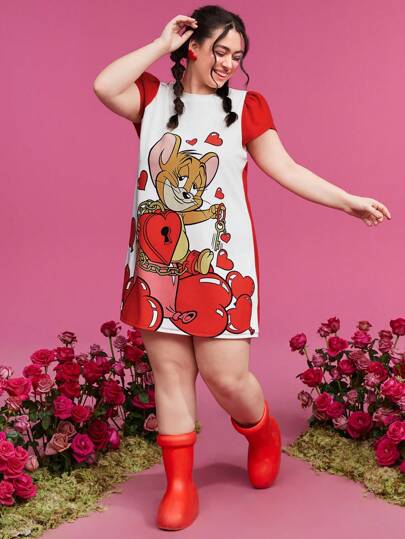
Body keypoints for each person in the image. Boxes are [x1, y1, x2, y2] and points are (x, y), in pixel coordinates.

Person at [93, 5, 391, 531]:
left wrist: (347, 201)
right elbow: (103, 85)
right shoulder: (151, 99)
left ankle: (261, 431)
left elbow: (287, 168)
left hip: (221, 267)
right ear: (192, 48)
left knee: (225, 377)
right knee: (170, 374)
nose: (229, 63)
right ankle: (179, 486)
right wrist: (161, 43)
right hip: (156, 265)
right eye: (220, 51)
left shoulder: (246, 107)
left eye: (237, 55)